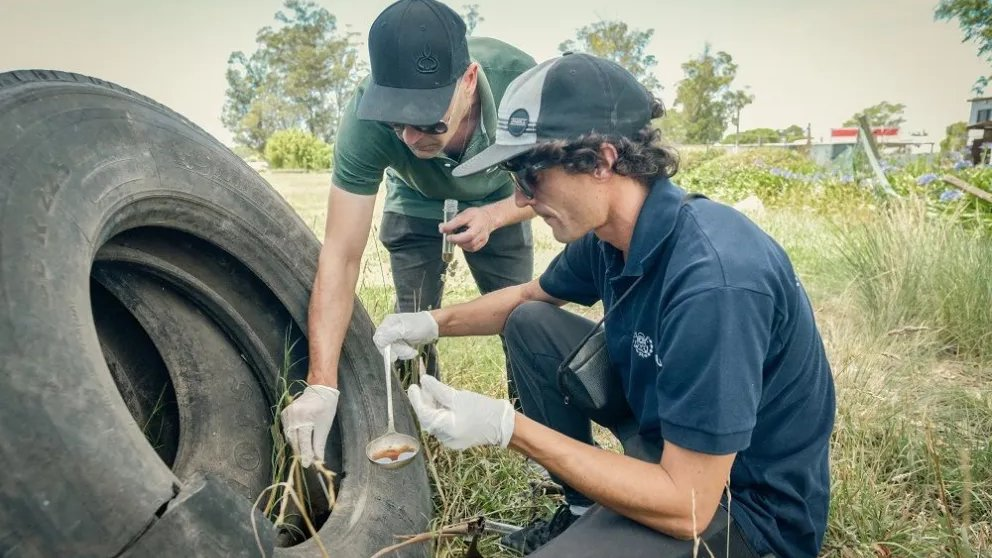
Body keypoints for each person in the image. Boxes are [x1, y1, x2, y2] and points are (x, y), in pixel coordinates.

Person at [373, 53, 836, 558]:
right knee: (530, 321)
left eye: (530, 175)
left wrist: (507, 428)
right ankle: (579, 511)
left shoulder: (715, 283)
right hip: (665, 437)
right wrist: (428, 323)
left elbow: (689, 507)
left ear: (601, 161)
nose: (521, 200)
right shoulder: (610, 235)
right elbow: (526, 298)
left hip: (737, 506)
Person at [279, 0, 537, 468]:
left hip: (501, 197)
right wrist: (321, 383)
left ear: (470, 80)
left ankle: (531, 427)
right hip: (415, 201)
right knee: (410, 323)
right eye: (397, 123)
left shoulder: (521, 82)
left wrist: (495, 216)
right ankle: (421, 421)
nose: (412, 138)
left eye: (428, 121)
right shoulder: (363, 121)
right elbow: (340, 254)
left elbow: (559, 193)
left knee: (521, 316)